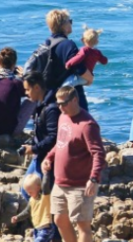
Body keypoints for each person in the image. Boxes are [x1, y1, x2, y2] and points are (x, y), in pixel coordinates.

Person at [42, 85, 105, 242]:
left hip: (80, 184)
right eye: (58, 104)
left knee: (82, 225)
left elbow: (98, 153)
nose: (60, 107)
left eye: (64, 103)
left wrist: (94, 178)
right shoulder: (63, 117)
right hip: (60, 182)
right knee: (59, 220)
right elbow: (61, 142)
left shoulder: (87, 125)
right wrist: (49, 157)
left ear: (75, 100)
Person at [20, 70, 60, 201]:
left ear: (37, 87)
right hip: (40, 154)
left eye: (27, 89)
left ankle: (43, 214)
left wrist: (34, 149)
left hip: (47, 157)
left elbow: (54, 137)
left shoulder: (51, 108)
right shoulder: (41, 103)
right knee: (26, 190)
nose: (26, 93)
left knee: (34, 192)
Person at [43, 10, 92, 111]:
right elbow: (80, 69)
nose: (71, 23)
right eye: (70, 21)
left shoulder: (47, 44)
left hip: (51, 98)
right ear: (64, 25)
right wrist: (90, 79)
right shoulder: (68, 45)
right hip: (70, 101)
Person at [0, 47, 35, 136]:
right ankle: (37, 125)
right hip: (7, 130)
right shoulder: (16, 83)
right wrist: (24, 77)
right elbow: (32, 93)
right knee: (33, 99)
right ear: (14, 64)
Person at [11, 173, 56, 242]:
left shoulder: (45, 197)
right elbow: (27, 212)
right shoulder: (31, 200)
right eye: (27, 192)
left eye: (30, 192)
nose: (28, 194)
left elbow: (45, 185)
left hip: (46, 228)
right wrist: (18, 217)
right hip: (37, 229)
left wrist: (46, 173)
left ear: (38, 187)